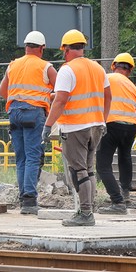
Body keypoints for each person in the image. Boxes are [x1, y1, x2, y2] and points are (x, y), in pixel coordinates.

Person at [41, 29, 111, 227]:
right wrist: (103, 120)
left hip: (75, 127)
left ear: (66, 49)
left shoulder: (67, 69)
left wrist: (47, 126)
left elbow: (61, 100)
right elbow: (108, 97)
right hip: (96, 126)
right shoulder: (98, 68)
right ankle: (87, 209)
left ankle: (86, 213)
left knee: (78, 170)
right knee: (88, 170)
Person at [0, 30, 58, 214]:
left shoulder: (13, 65)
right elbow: (62, 91)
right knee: (33, 157)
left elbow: (2, 91)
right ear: (42, 48)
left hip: (14, 112)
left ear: (26, 47)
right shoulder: (46, 67)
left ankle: (24, 197)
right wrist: (46, 100)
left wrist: (19, 99)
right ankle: (29, 201)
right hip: (34, 113)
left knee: (21, 157)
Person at [96, 53, 136, 214]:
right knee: (125, 157)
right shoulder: (132, 86)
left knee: (102, 165)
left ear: (114, 66)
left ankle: (117, 201)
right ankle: (125, 194)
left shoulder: (107, 78)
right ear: (129, 70)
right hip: (131, 126)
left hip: (111, 123)